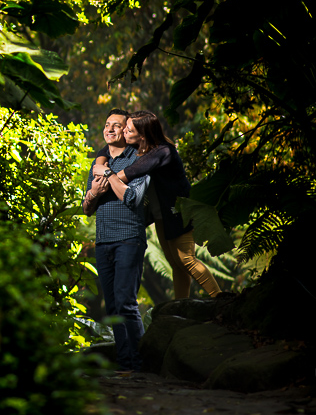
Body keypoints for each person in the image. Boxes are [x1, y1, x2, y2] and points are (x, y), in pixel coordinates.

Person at [91, 110, 222, 299]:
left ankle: (220, 298)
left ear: (142, 135)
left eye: (128, 130)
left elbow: (130, 173)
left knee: (186, 259)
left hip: (179, 211)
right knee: (175, 262)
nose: (124, 132)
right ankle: (181, 304)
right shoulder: (139, 145)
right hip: (162, 215)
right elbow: (105, 150)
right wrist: (101, 163)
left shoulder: (162, 152)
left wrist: (105, 176)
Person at [83, 108, 150, 372]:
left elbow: (133, 198)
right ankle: (125, 364)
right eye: (107, 124)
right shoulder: (97, 163)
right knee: (112, 307)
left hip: (129, 239)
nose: (110, 129)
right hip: (103, 241)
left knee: (126, 303)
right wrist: (93, 192)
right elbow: (86, 208)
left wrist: (108, 175)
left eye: (117, 125)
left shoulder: (139, 159)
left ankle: (141, 363)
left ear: (127, 130)